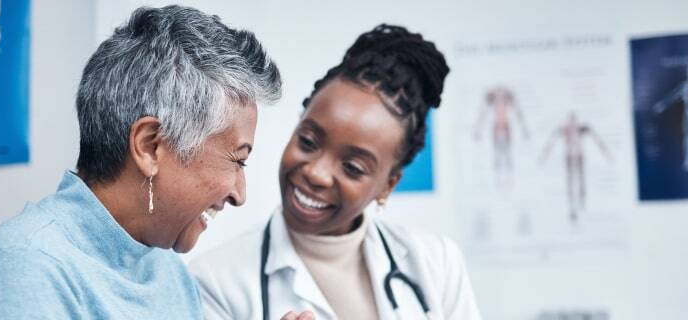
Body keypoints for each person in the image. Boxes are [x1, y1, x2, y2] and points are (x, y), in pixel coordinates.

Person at [0, 5, 302, 319]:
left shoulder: (169, 273)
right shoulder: (22, 269)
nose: (240, 194)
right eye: (238, 161)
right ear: (149, 146)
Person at [191, 24, 482, 320]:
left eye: (353, 167)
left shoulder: (436, 264)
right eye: (308, 141)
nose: (316, 173)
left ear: (387, 185)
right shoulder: (215, 282)